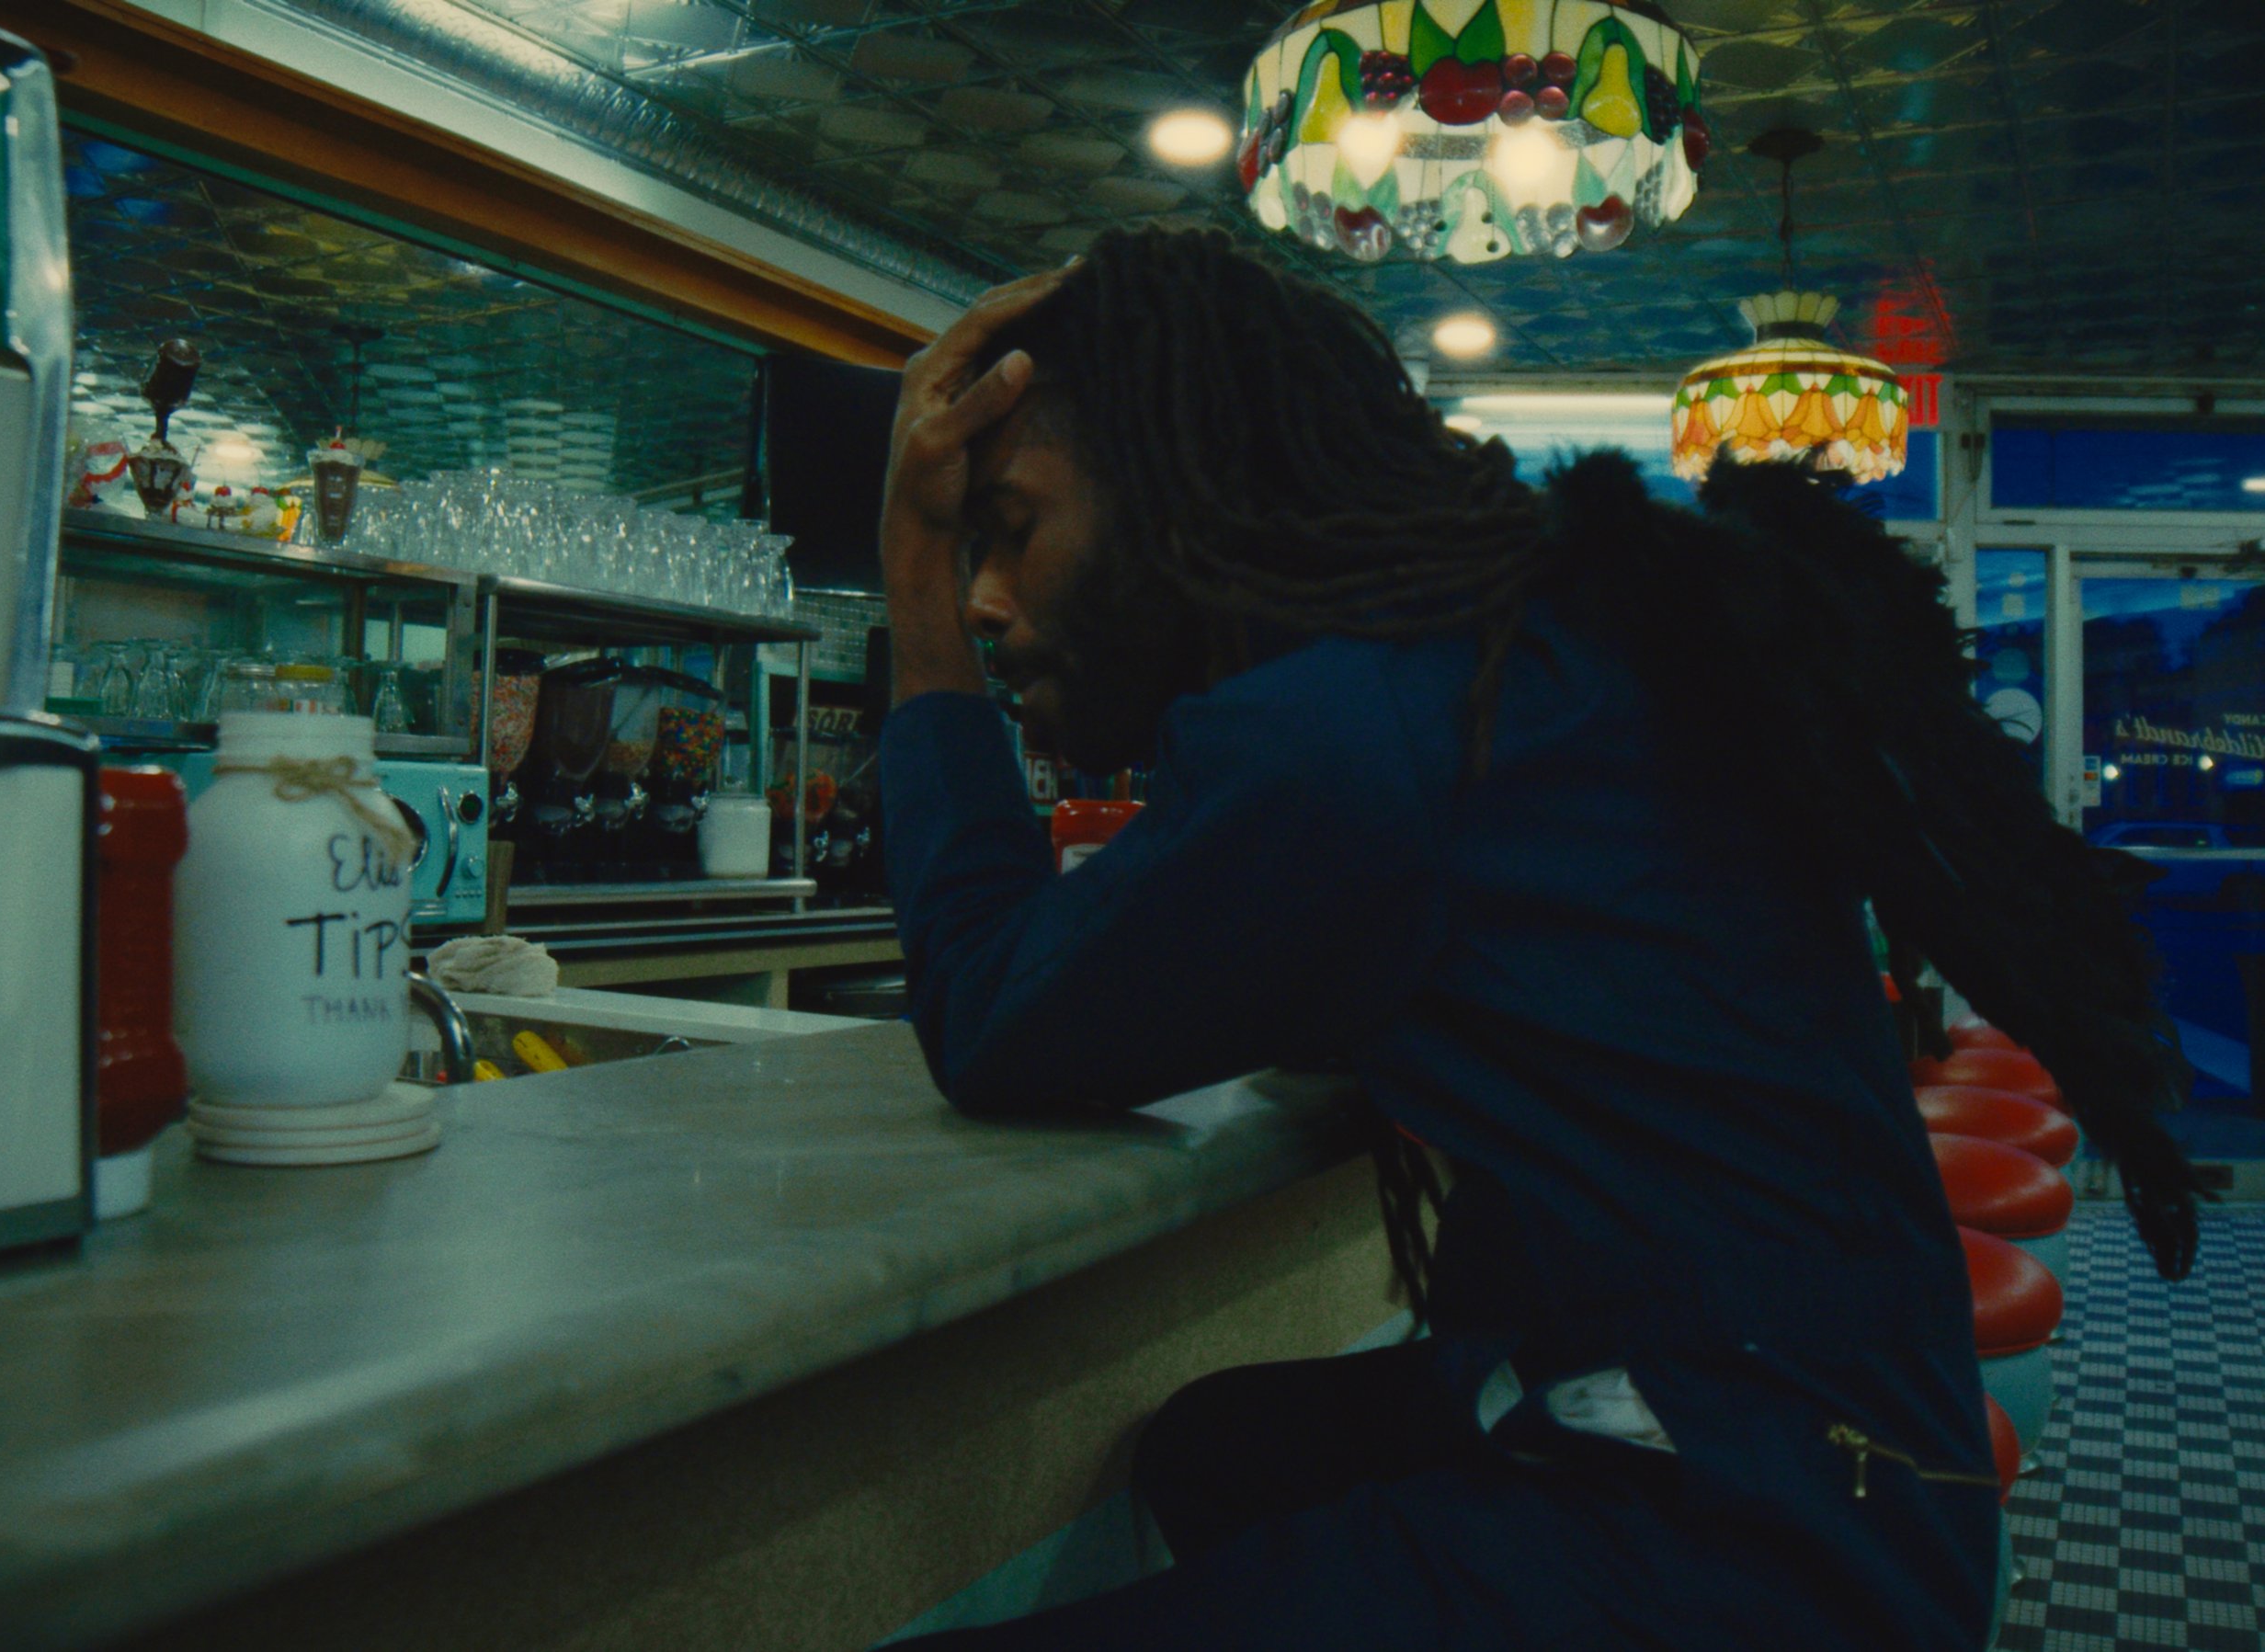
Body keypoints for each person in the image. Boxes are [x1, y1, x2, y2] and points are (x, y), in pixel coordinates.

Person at [873, 228, 2201, 1649]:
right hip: (1868, 1454)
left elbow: (995, 1010)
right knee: (1219, 1447)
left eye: (1003, 528)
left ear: (1168, 488)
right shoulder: (1544, 646)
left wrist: (909, 570)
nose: (986, 598)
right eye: (962, 552)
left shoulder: (1355, 728)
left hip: (1755, 1539)